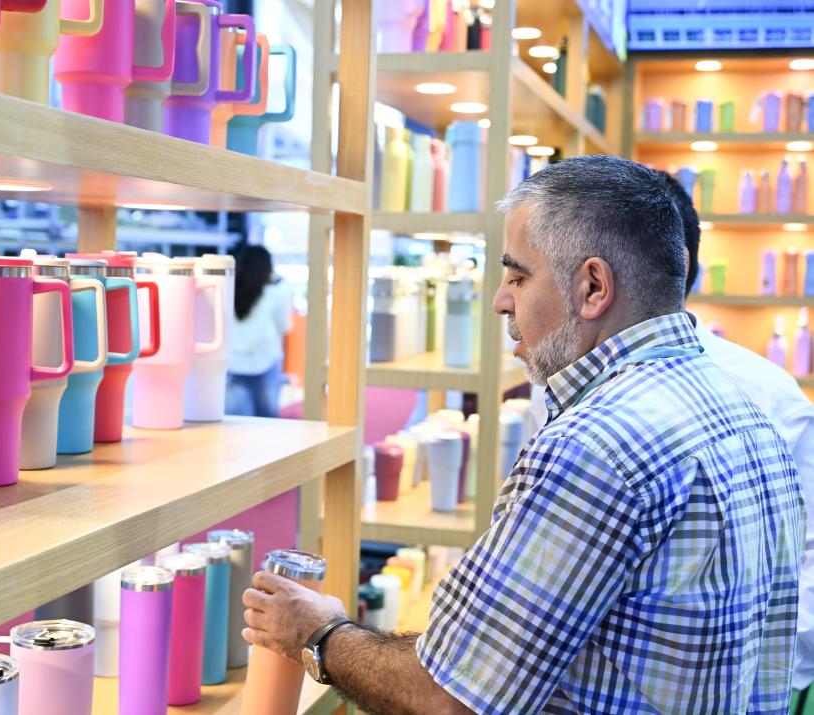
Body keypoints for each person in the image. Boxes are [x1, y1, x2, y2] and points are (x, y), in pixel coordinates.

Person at [239, 156, 805, 714]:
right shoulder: (743, 408)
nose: (500, 300)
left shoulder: (596, 445)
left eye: (517, 276)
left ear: (592, 287)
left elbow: (451, 698)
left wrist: (318, 633)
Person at [524, 171, 814, 707]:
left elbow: (804, 558)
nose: (505, 300)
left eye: (519, 277)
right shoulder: (562, 379)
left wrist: (750, 670)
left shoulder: (768, 396)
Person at [225, 244, 292, 418]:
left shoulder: (227, 289)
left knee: (235, 426)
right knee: (268, 424)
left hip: (232, 363)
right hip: (266, 361)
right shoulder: (276, 291)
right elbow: (284, 327)